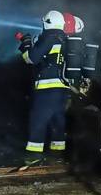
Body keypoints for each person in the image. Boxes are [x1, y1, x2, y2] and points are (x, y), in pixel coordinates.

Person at [19, 10, 69, 166]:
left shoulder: (49, 38)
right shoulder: (65, 39)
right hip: (62, 89)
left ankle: (34, 155)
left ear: (48, 23)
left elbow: (32, 59)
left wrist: (26, 45)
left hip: (47, 89)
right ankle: (57, 153)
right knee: (57, 121)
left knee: (38, 120)